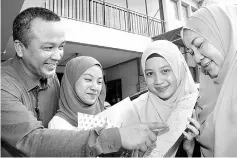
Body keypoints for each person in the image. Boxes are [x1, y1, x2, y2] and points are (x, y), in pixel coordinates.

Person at [1, 7, 169, 157]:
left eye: (61, 46)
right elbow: (32, 141)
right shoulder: (4, 85)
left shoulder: (51, 79)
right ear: (19, 48)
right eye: (48, 48)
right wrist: (115, 137)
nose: (58, 56)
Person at [181, 4, 237, 157]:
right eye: (191, 52)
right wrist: (192, 150)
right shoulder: (206, 93)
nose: (196, 58)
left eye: (199, 44)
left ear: (223, 35)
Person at [131, 40, 198, 156]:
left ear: (179, 69)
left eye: (165, 71)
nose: (158, 81)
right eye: (150, 73)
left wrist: (191, 150)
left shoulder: (197, 106)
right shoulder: (134, 110)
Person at [48, 56, 107, 130]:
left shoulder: (107, 114)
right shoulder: (58, 125)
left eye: (99, 82)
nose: (95, 88)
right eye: (88, 79)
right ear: (71, 82)